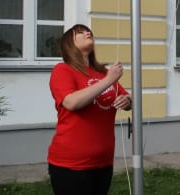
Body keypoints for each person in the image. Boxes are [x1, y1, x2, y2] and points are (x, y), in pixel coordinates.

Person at [47, 24, 132, 195]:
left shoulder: (103, 72)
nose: (88, 33)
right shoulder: (63, 70)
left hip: (103, 161)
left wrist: (127, 100)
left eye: (89, 32)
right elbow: (72, 102)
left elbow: (128, 99)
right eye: (80, 32)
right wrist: (108, 80)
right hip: (71, 164)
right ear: (68, 43)